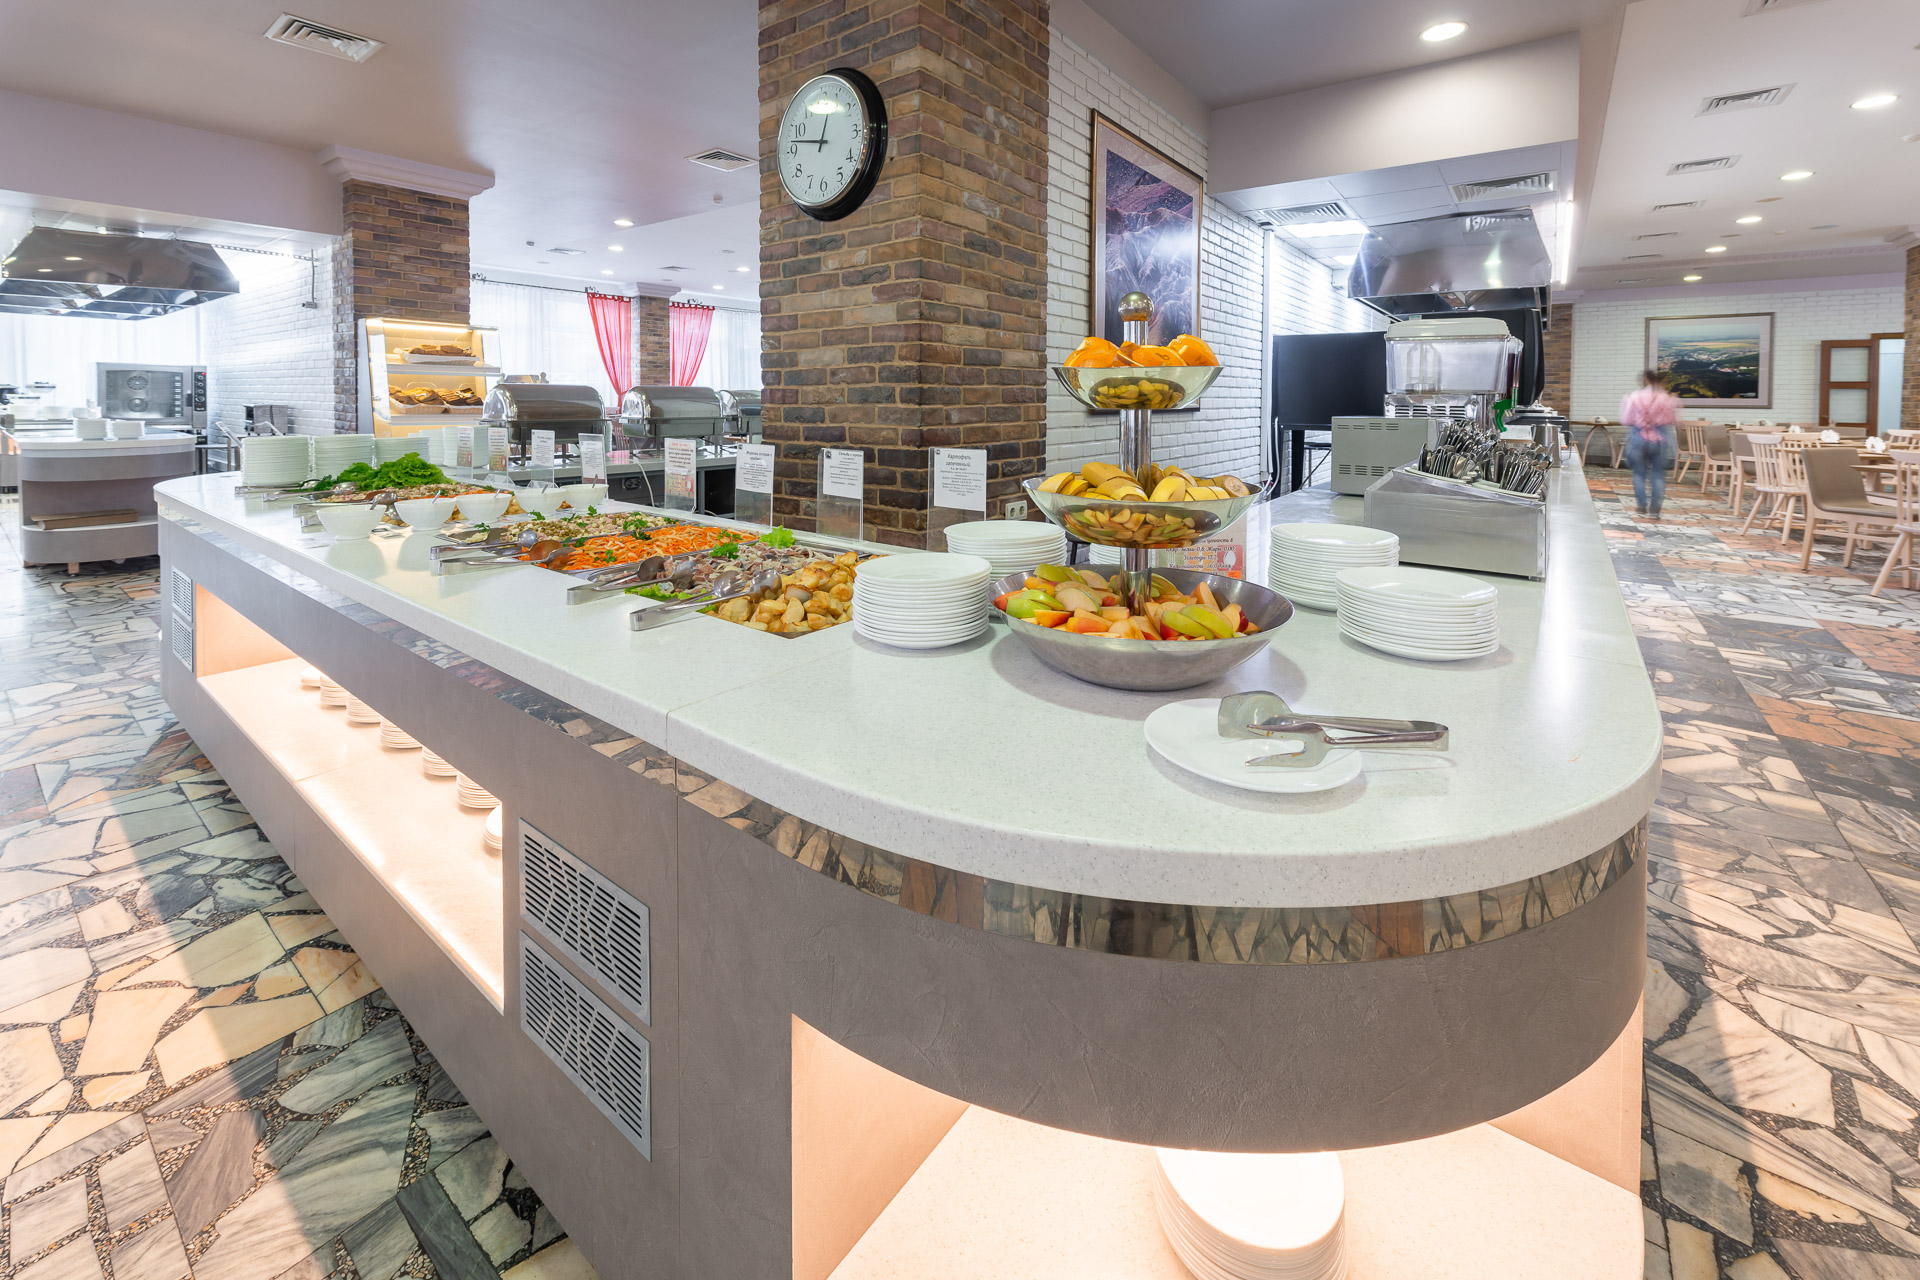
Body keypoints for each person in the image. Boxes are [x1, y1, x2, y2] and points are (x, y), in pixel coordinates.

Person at [1620, 369, 1681, 518]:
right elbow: (1673, 420)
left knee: (1639, 473)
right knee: (1658, 475)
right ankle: (1655, 510)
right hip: (1659, 440)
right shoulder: (1666, 398)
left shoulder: (1633, 397)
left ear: (1644, 380)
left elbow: (1626, 420)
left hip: (1638, 438)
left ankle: (1641, 505)